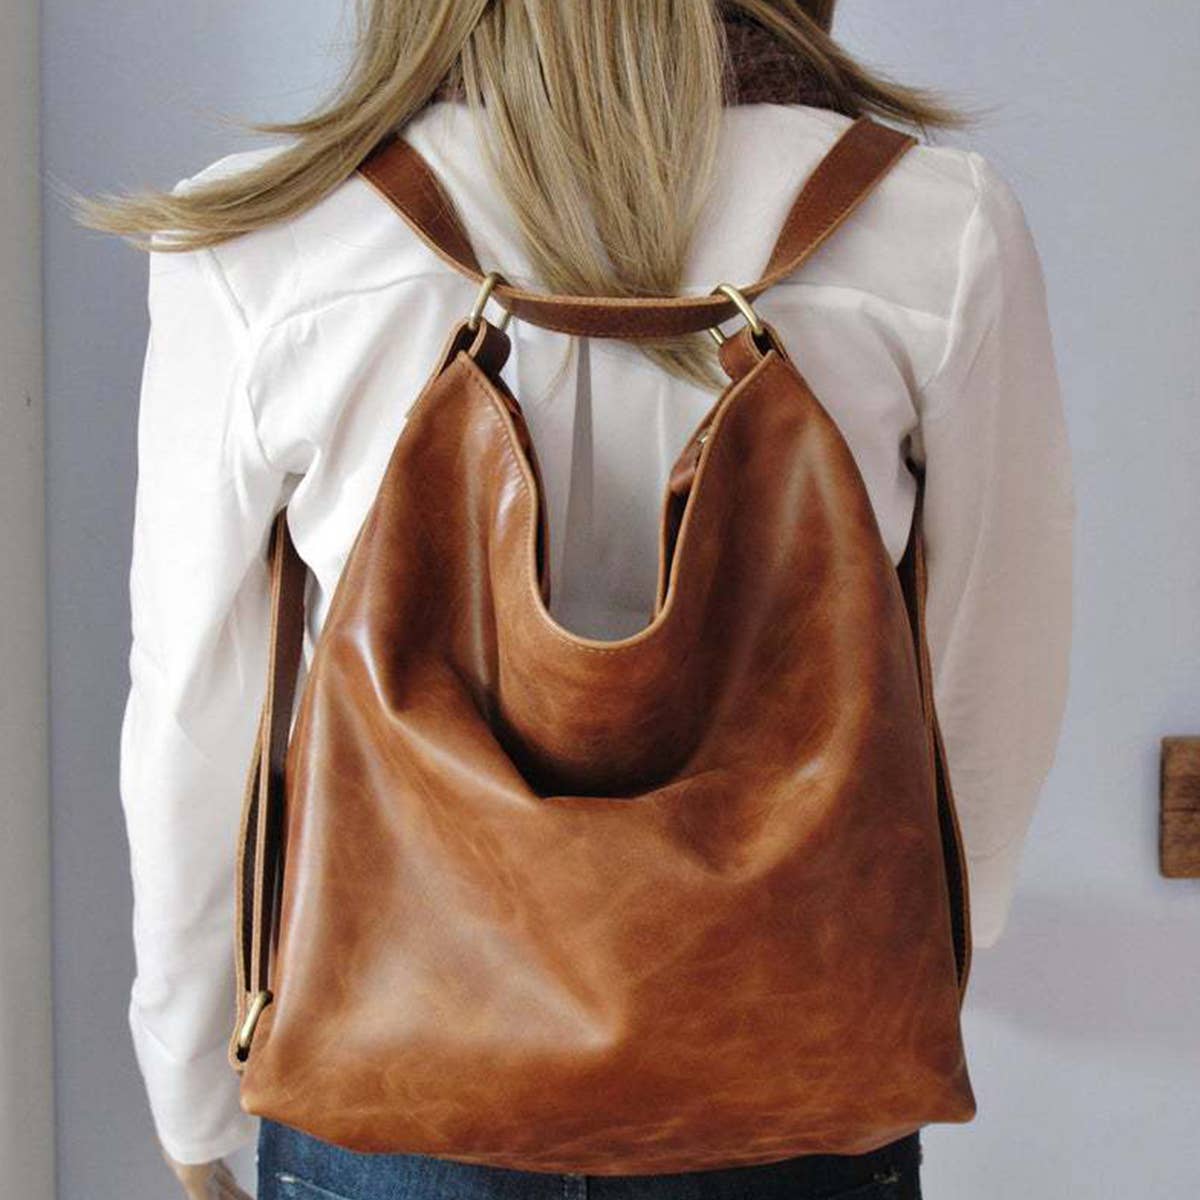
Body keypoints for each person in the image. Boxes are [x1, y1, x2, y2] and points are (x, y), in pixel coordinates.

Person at [85, 2, 1075, 1197]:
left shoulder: (269, 234)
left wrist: (191, 1085)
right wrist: (915, 964)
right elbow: (987, 685)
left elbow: (196, 713)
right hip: (786, 1060)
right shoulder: (936, 226)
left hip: (397, 1070)